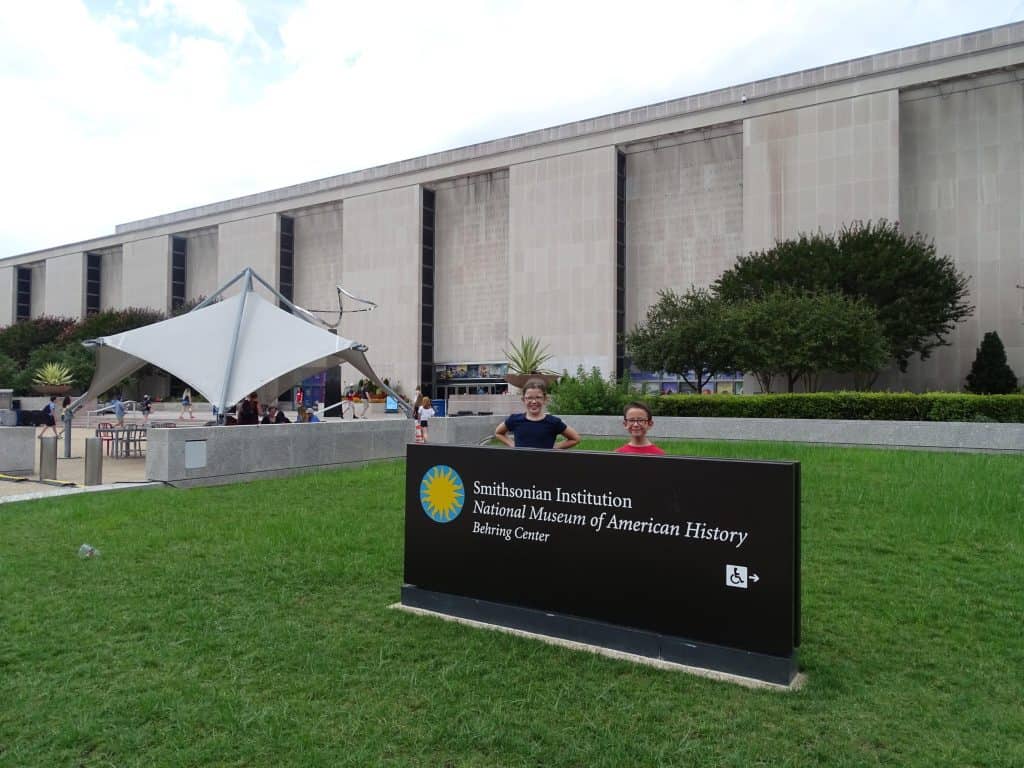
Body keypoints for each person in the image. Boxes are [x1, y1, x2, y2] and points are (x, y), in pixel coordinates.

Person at [494, 379, 581, 450]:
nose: (534, 401)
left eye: (538, 397)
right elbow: (498, 432)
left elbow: (575, 438)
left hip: (545, 466)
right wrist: (513, 444)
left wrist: (554, 447)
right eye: (529, 398)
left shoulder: (553, 422)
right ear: (523, 399)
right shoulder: (514, 419)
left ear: (545, 399)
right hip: (520, 466)